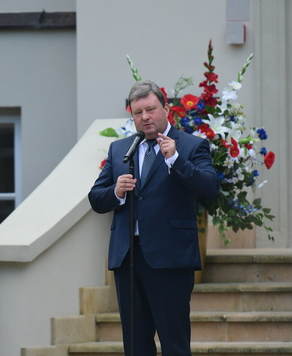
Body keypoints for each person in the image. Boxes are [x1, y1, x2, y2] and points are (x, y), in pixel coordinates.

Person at [88, 80, 219, 356]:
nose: (145, 117)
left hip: (170, 258)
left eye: (150, 109)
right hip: (128, 258)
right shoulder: (120, 149)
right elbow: (96, 198)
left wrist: (177, 161)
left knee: (174, 343)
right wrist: (116, 191)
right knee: (135, 345)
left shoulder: (191, 145)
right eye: (138, 112)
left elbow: (210, 188)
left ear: (166, 108)